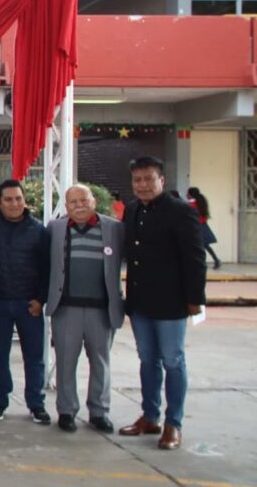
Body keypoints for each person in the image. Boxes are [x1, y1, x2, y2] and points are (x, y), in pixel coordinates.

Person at [120, 156, 206, 450]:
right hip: (140, 301)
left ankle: (174, 423)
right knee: (147, 359)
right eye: (137, 180)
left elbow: (195, 258)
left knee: (173, 360)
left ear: (162, 180)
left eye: (149, 179)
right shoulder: (131, 211)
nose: (143, 185)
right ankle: (150, 415)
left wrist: (195, 299)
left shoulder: (181, 211)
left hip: (172, 302)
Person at [46, 184, 125, 434]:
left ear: (94, 201)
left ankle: (99, 412)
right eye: (73, 202)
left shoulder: (114, 228)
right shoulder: (55, 228)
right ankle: (66, 411)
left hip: (101, 309)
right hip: (66, 307)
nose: (79, 206)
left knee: (101, 361)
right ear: (66, 206)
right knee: (66, 361)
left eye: (84, 200)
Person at [0, 179, 51, 425]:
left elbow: (47, 269)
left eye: (18, 198)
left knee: (34, 356)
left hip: (28, 303)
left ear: (25, 200)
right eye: (8, 199)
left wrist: (40, 299)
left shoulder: (38, 230)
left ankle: (36, 404)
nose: (14, 204)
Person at [186, 187, 221, 269]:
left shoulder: (190, 205)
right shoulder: (201, 202)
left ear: (190, 195)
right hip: (203, 225)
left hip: (195, 226)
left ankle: (204, 262)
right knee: (204, 245)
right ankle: (215, 260)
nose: (186, 195)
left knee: (199, 245)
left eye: (187, 193)